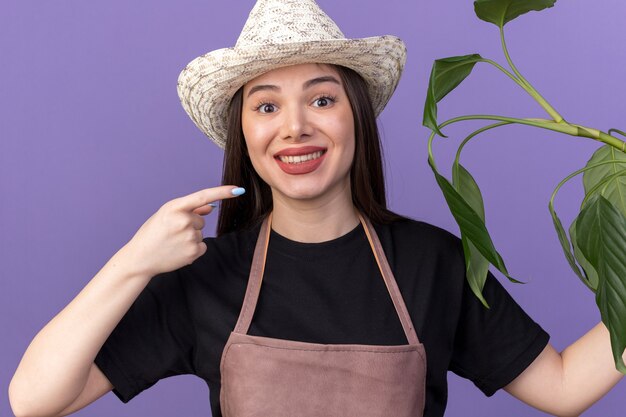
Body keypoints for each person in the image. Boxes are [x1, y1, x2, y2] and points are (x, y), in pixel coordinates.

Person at [8, 0, 625, 416]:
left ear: (356, 116)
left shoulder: (432, 261)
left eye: (322, 99)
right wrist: (133, 263)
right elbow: (35, 400)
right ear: (243, 135)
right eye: (267, 106)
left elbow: (565, 387)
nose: (295, 128)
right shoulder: (205, 277)